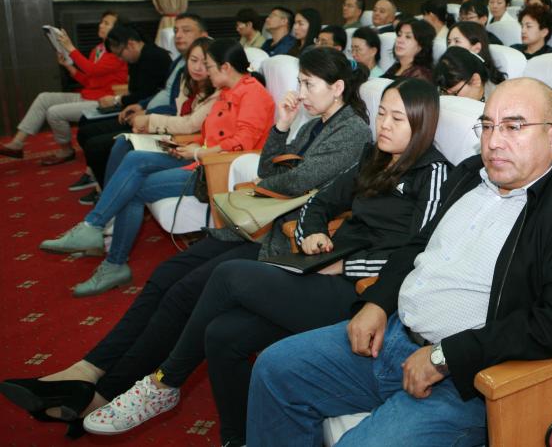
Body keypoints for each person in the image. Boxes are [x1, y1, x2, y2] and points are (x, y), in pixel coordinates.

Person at [0, 47, 371, 435]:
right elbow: (269, 169)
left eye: (309, 84)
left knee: (184, 291)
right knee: (165, 274)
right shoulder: (314, 124)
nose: (301, 92)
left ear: (337, 87)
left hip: (284, 240)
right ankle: (88, 369)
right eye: (300, 83)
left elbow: (293, 181)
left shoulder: (352, 131)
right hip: (262, 225)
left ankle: (104, 391)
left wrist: (267, 180)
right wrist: (281, 126)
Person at [80, 78, 447, 445]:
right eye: (381, 114)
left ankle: (164, 382)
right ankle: (236, 439)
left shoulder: (433, 174)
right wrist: (312, 233)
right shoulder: (374, 157)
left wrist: (349, 266)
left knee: (228, 275)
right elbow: (318, 203)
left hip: (363, 294)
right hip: (324, 270)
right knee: (221, 335)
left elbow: (417, 255)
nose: (383, 125)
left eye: (397, 119)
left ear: (422, 123)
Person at [246, 78, 552, 447]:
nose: (494, 141)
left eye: (514, 127)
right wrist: (377, 303)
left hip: (466, 379)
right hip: (394, 335)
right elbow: (418, 244)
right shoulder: (470, 173)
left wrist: (445, 356)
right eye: (487, 126)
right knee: (274, 370)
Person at [37, 39, 274, 295]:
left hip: (219, 171)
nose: (206, 72)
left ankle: (113, 261)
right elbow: (213, 135)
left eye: (209, 66)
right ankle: (93, 227)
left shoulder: (253, 95)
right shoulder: (228, 91)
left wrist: (197, 151)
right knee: (135, 159)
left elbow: (241, 143)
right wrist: (186, 145)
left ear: (226, 67)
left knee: (134, 189)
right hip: (201, 158)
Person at [74, 15, 205, 196]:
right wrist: (142, 107)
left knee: (107, 145)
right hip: (156, 118)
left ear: (203, 35)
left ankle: (108, 193)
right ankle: (106, 192)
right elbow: (163, 93)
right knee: (105, 136)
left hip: (172, 130)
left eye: (186, 30)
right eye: (176, 31)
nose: (178, 35)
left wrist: (147, 114)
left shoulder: (199, 70)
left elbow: (182, 113)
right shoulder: (181, 61)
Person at [1, 11, 125, 162]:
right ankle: (17, 143)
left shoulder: (117, 52)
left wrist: (70, 48)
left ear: (117, 29)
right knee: (44, 98)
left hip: (103, 101)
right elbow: (89, 80)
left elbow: (92, 70)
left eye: (106, 23)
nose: (101, 25)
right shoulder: (98, 50)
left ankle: (66, 151)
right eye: (101, 22)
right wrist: (68, 66)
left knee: (54, 112)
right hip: (88, 95)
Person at [104, 38, 218, 190]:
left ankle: (110, 197)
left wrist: (150, 121)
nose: (197, 67)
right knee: (124, 142)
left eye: (204, 63)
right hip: (174, 140)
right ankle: (108, 194)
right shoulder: (187, 79)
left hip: (186, 145)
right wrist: (151, 127)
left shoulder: (217, 90)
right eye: (193, 60)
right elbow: (178, 114)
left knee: (133, 160)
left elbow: (190, 124)